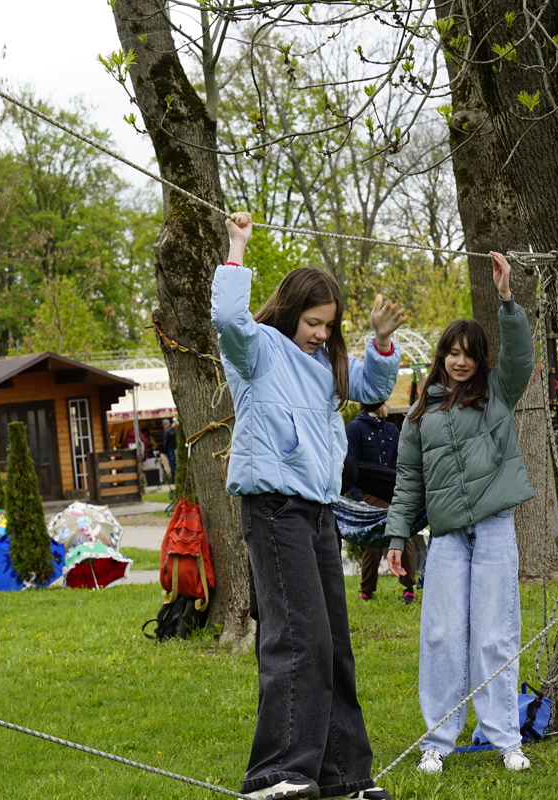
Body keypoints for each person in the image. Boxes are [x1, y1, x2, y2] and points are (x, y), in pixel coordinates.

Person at [212, 211, 405, 800]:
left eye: (330, 325)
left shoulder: (326, 366)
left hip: (320, 512)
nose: (321, 333)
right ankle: (278, 774)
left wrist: (380, 343)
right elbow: (228, 319)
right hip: (274, 508)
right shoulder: (259, 350)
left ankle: (344, 776)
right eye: (314, 322)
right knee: (299, 639)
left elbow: (375, 389)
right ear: (291, 311)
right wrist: (237, 247)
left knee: (335, 645)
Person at [385, 251, 535, 775]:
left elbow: (521, 357)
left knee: (495, 635)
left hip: (494, 529)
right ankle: (437, 741)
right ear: (441, 357)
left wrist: (506, 299)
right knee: (442, 637)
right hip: (447, 537)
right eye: (452, 352)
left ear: (480, 359)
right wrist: (397, 539)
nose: (460, 361)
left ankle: (505, 738)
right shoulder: (419, 415)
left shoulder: (497, 392)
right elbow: (408, 483)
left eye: (469, 354)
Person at [346, 400, 416, 604]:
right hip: (368, 494)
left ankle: (408, 588)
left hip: (393, 492)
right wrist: (359, 499)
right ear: (375, 404)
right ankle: (367, 589)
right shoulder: (354, 428)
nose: (388, 405)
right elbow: (350, 464)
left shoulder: (391, 429)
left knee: (404, 536)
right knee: (373, 540)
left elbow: (402, 461)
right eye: (385, 401)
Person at [163, 418, 178, 482]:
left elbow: (165, 442)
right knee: (175, 464)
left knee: (172, 465)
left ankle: (173, 479)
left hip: (170, 449)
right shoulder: (173, 429)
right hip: (174, 448)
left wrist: (164, 451)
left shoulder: (166, 431)